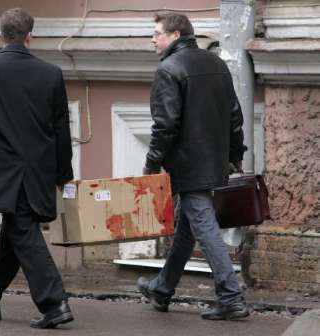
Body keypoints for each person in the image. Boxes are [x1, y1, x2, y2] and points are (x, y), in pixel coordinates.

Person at [0, 7, 74, 329]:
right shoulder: (51, 73)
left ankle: (54, 303)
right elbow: (62, 127)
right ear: (30, 36)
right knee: (17, 230)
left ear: (1, 35)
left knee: (22, 231)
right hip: (37, 170)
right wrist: (64, 175)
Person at [137, 13, 249, 320]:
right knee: (186, 227)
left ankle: (230, 296)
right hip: (213, 159)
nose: (152, 39)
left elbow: (165, 124)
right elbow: (234, 115)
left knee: (203, 226)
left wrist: (151, 163)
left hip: (188, 164)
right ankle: (162, 288)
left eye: (156, 33)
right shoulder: (216, 63)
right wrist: (235, 152)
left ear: (174, 35)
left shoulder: (168, 69)